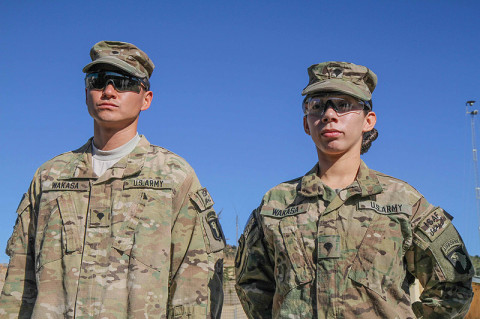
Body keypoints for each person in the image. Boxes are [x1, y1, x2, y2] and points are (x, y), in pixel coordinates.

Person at [0, 41, 225, 318]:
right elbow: (19, 284)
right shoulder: (49, 177)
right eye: (98, 81)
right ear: (86, 93)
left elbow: (195, 286)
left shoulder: (173, 176)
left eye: (123, 82)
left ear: (146, 99)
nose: (108, 91)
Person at [235, 61, 474, 318]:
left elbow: (454, 285)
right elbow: (251, 285)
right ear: (306, 124)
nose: (329, 114)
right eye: (316, 105)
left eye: (344, 104)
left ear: (368, 120)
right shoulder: (276, 204)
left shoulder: (404, 202)